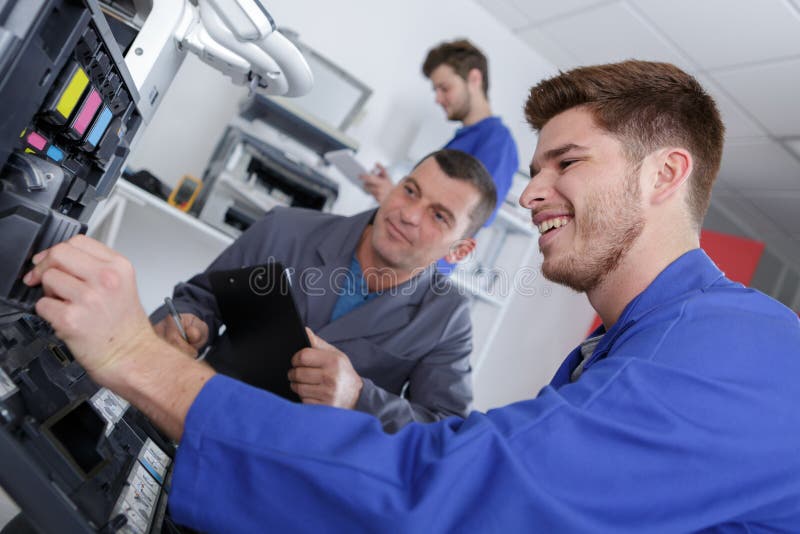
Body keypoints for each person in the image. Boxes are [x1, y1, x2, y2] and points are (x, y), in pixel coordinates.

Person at [25, 60, 800, 532]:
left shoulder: (721, 349)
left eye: (565, 163)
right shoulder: (620, 346)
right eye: (536, 170)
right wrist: (176, 328)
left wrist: (131, 356)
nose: (534, 194)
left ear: (665, 174)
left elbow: (455, 488)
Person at [150, 149, 497, 433]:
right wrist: (186, 322)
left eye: (438, 216)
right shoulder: (284, 229)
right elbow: (200, 299)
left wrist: (357, 397)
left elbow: (444, 432)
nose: (409, 215)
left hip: (301, 477)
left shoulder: (447, 318)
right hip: (198, 423)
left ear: (459, 251)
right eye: (410, 190)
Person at [360, 39, 518, 226]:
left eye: (445, 88)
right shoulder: (463, 139)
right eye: (436, 90)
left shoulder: (497, 141)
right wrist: (397, 192)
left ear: (474, 79)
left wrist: (392, 198)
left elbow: (472, 217)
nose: (437, 98)